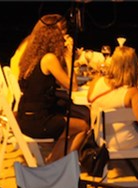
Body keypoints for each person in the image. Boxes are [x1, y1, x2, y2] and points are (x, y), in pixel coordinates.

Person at [16, 14, 90, 163]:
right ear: (53, 35)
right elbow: (73, 86)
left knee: (71, 121)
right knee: (83, 126)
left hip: (24, 116)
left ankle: (53, 160)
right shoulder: (49, 59)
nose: (65, 35)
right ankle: (56, 164)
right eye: (62, 31)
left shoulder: (32, 56)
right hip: (38, 121)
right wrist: (68, 57)